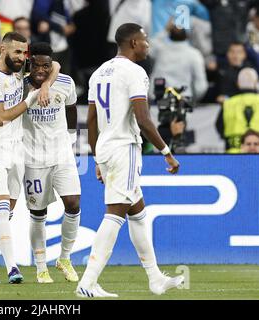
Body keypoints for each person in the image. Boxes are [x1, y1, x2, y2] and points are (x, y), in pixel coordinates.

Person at [78, 23, 184, 298]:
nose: (148, 44)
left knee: (137, 212)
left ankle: (155, 278)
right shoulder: (135, 72)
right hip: (124, 148)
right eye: (145, 39)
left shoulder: (99, 72)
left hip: (106, 148)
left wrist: (97, 157)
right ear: (134, 43)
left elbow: (91, 120)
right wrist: (166, 152)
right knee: (115, 214)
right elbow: (143, 118)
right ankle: (87, 283)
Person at [0, 32, 58, 284]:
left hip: (16, 148)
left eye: (25, 53)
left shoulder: (18, 74)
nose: (22, 57)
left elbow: (56, 66)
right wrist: (32, 98)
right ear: (3, 49)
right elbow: (1, 118)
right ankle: (13, 268)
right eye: (17, 52)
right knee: (0, 208)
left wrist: (44, 85)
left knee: (5, 213)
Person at [21, 42, 81, 284]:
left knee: (73, 203)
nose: (42, 70)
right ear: (29, 63)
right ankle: (41, 265)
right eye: (37, 65)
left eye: (46, 66)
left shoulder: (65, 82)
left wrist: (72, 137)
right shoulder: (19, 86)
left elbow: (72, 109)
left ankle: (65, 258)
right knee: (38, 213)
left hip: (62, 155)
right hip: (32, 158)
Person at [218, 68, 259, 153]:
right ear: (256, 82)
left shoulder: (228, 103)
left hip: (233, 154)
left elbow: (219, 125)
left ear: (238, 83)